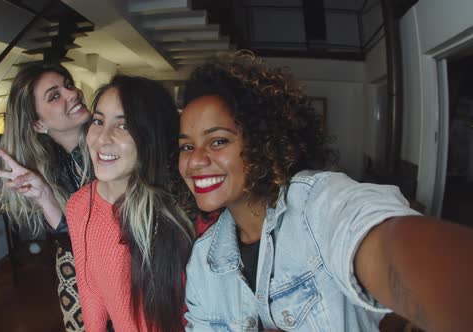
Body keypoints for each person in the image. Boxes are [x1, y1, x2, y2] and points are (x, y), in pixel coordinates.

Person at [176, 52, 473, 331]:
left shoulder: (316, 203)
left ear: (262, 141)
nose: (196, 160)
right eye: (187, 146)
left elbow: (385, 247)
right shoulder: (204, 262)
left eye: (218, 141)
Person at [66, 75, 195, 332]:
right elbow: (89, 289)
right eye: (98, 120)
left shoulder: (178, 213)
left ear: (151, 137)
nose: (103, 138)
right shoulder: (79, 205)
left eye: (123, 126)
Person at [0, 62, 92, 331]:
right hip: (78, 270)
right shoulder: (52, 170)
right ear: (38, 124)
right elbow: (74, 244)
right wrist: (44, 195)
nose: (74, 93)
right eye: (55, 96)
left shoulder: (111, 148)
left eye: (68, 84)